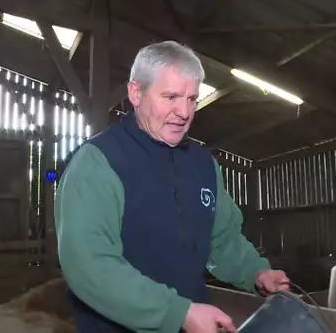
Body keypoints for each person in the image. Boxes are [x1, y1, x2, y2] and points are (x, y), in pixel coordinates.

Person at [54, 41, 290, 333]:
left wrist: (256, 272)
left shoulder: (203, 165)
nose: (184, 111)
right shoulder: (99, 163)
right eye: (171, 97)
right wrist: (177, 312)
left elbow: (223, 239)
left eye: (192, 98)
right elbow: (90, 265)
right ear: (136, 93)